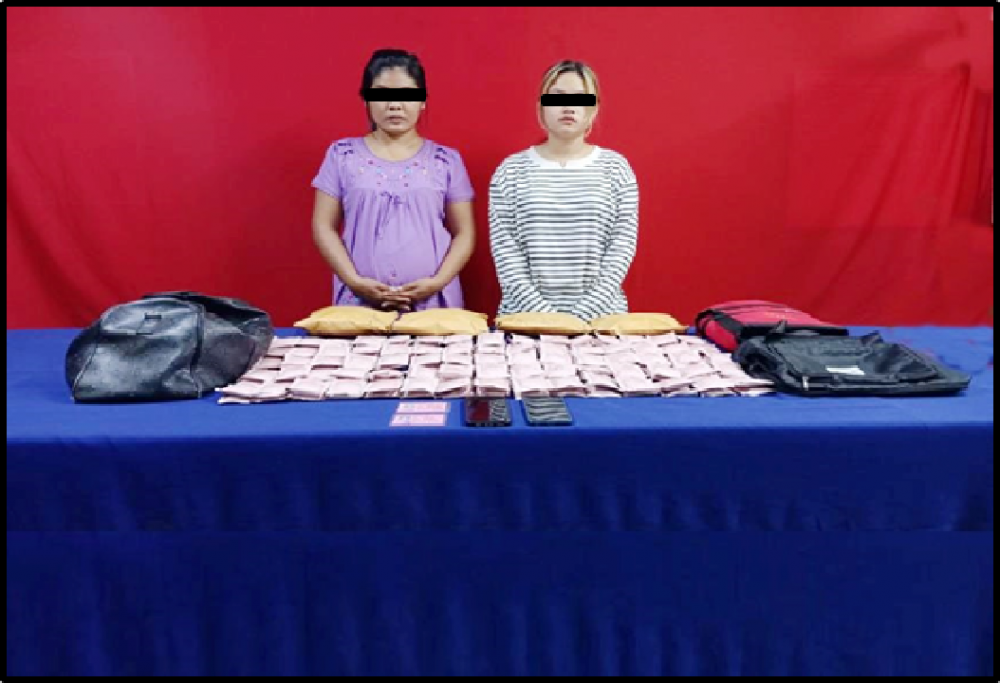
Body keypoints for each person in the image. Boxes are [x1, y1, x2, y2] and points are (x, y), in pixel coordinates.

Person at [311, 48, 476, 311]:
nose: (395, 105)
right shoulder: (342, 155)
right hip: (358, 303)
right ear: (366, 100)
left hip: (434, 305)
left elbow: (465, 232)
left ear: (423, 101)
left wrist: (437, 282)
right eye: (382, 94)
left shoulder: (446, 160)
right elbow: (323, 225)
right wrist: (354, 281)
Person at [489, 60, 639, 320]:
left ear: (593, 109)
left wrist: (579, 318)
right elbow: (506, 254)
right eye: (558, 97)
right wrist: (550, 320)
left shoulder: (616, 168)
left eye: (579, 99)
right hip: (525, 322)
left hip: (601, 321)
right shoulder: (511, 171)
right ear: (541, 107)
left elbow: (621, 248)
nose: (568, 107)